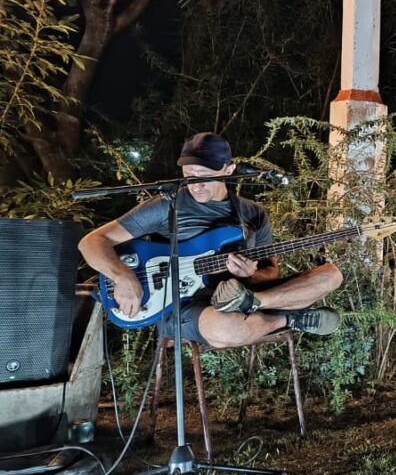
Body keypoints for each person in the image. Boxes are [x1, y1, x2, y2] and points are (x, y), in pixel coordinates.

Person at [79, 132, 344, 349]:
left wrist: (251, 276)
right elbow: (91, 242)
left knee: (330, 275)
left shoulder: (252, 213)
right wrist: (124, 277)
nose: (196, 185)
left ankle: (254, 304)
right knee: (226, 329)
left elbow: (271, 270)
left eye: (205, 176)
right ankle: (287, 317)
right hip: (185, 304)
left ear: (228, 170)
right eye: (190, 175)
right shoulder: (166, 206)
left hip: (246, 294)